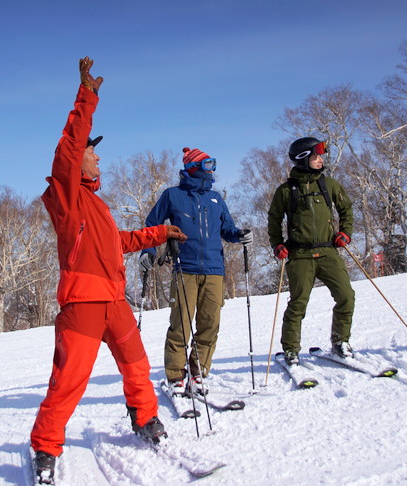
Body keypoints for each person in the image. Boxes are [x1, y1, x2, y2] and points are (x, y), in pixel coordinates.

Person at [29, 57, 188, 482]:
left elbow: (117, 244)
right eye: (93, 155)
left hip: (115, 302)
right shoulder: (67, 197)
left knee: (137, 365)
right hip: (82, 303)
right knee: (68, 383)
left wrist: (159, 233)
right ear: (76, 161)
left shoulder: (97, 205)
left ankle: (145, 418)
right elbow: (69, 143)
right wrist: (87, 97)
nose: (99, 161)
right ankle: (45, 448)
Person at [139, 146, 252, 396]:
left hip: (214, 270)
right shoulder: (172, 195)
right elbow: (152, 224)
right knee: (181, 324)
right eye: (207, 165)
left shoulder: (216, 199)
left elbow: (227, 229)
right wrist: (148, 250)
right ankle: (175, 376)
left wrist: (239, 235)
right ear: (193, 167)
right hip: (184, 268)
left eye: (213, 165)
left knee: (210, 323)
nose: (212, 170)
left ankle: (198, 372)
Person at [267, 137, 355, 365]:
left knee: (346, 296)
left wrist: (345, 233)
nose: (320, 160)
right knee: (298, 303)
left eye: (320, 156)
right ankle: (291, 350)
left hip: (328, 252)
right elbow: (274, 219)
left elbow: (346, 208)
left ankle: (340, 342)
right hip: (300, 255)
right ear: (303, 159)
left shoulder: (329, 184)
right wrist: (277, 244)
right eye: (315, 156)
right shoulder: (286, 191)